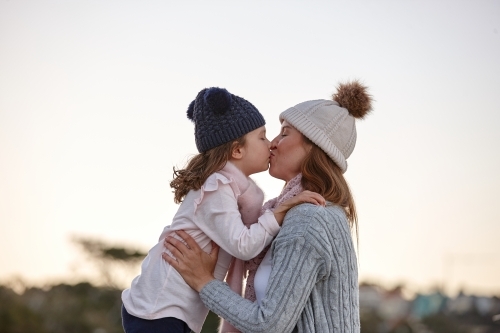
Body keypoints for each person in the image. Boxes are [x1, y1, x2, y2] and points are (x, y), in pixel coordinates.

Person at [163, 81, 373, 333]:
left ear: (314, 148)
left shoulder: (309, 219)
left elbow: (268, 324)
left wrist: (204, 281)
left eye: (284, 133)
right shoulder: (296, 213)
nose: (272, 143)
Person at [121, 87, 324, 333]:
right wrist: (280, 213)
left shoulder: (232, 191)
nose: (270, 144)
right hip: (157, 311)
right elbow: (244, 245)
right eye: (262, 137)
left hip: (172, 312)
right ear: (237, 150)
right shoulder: (216, 188)